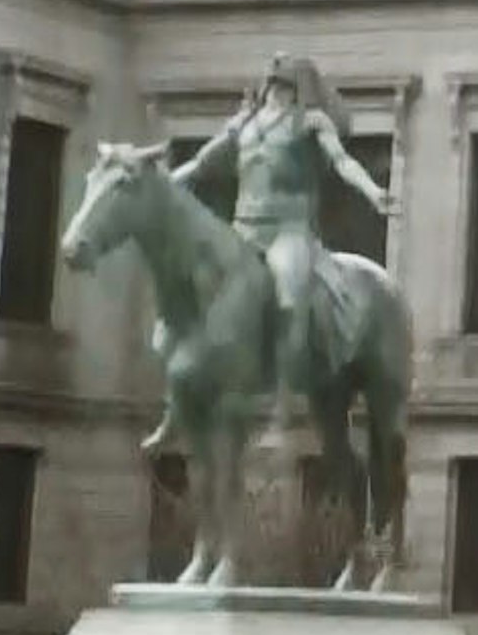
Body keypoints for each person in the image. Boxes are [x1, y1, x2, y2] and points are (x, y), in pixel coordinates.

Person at [166, 51, 393, 442]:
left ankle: (282, 405)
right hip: (244, 230)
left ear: (297, 90)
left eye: (286, 85)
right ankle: (183, 400)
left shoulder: (310, 123)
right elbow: (203, 163)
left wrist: (373, 191)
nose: (278, 92)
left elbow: (341, 161)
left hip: (290, 229)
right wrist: (165, 182)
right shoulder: (244, 125)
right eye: (274, 84)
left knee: (291, 294)